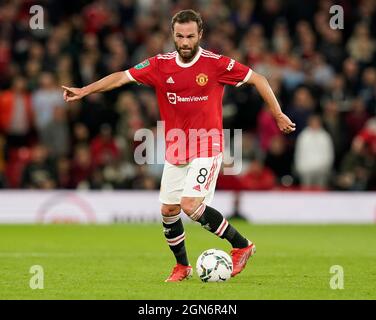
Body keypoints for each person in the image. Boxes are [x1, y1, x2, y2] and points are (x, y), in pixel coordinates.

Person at [62, 9, 296, 282]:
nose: (185, 42)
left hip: (208, 145)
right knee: (168, 210)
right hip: (177, 148)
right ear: (172, 35)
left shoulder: (215, 63)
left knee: (189, 204)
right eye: (180, 36)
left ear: (200, 35)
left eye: (190, 36)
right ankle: (182, 267)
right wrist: (85, 90)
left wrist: (277, 113)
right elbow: (121, 77)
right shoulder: (160, 65)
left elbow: (259, 78)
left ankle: (242, 245)